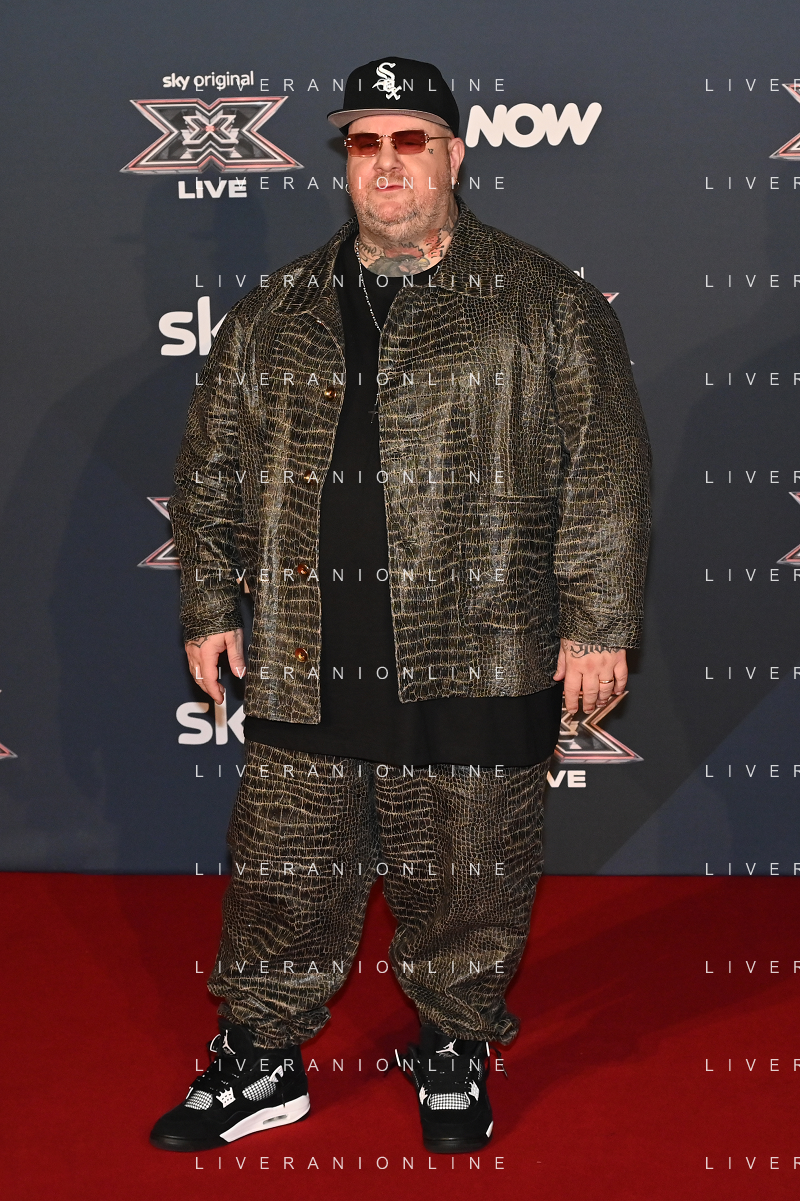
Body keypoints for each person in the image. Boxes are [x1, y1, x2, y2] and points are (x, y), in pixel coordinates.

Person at [150, 56, 651, 1156]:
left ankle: (455, 1042)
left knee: (471, 867)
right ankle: (260, 1054)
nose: (385, 164)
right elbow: (211, 467)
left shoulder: (544, 302)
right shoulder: (275, 309)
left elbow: (605, 471)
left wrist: (599, 622)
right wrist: (209, 601)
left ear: (454, 156)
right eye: (364, 143)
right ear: (345, 162)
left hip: (484, 641)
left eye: (409, 140)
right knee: (285, 868)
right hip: (308, 647)